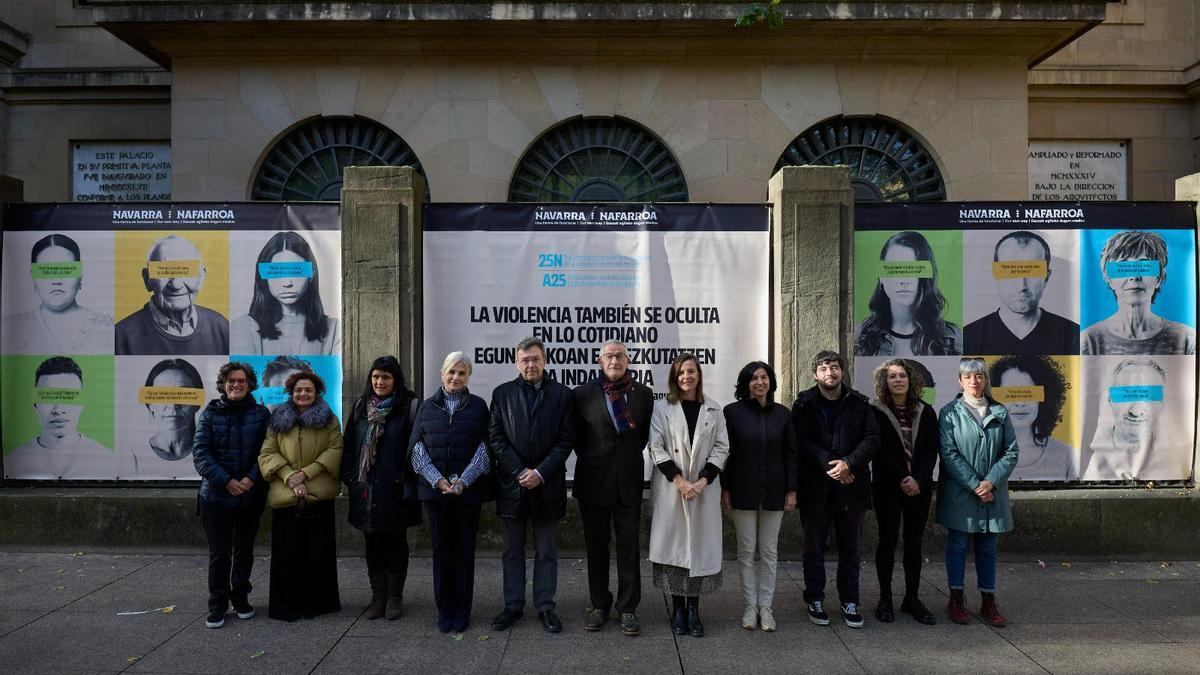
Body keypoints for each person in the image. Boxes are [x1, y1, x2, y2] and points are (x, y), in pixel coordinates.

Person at [487, 337, 575, 634]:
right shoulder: (502, 394)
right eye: (525, 360)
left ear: (545, 360)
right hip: (512, 486)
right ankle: (512, 606)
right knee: (512, 551)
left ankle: (545, 607)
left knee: (546, 551)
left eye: (535, 359)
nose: (530, 364)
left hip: (547, 486)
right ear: (516, 362)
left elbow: (566, 441)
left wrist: (540, 472)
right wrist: (520, 471)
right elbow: (496, 438)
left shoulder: (563, 395)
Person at [571, 340, 654, 636]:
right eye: (609, 356)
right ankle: (600, 605)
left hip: (628, 483)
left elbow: (642, 437)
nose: (614, 360)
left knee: (629, 548)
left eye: (619, 355)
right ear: (599, 360)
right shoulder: (581, 394)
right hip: (593, 482)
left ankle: (628, 608)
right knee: (596, 547)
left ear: (628, 360)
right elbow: (576, 437)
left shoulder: (643, 395)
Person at [791, 350, 878, 628]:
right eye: (824, 368)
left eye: (835, 367)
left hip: (852, 489)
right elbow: (800, 441)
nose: (830, 372)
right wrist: (833, 466)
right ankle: (815, 598)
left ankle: (849, 600)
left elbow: (872, 439)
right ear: (815, 374)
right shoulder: (803, 404)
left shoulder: (860, 404)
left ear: (843, 372)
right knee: (813, 548)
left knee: (851, 550)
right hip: (816, 488)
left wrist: (849, 464)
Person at [648, 353, 729, 638]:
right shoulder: (662, 408)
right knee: (676, 550)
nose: (687, 377)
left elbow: (722, 448)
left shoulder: (714, 410)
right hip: (673, 490)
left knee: (698, 550)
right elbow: (656, 447)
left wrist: (703, 481)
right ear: (674, 376)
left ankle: (694, 609)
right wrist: (681, 481)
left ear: (699, 375)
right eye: (681, 372)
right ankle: (678, 608)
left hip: (703, 491)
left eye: (691, 371)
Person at [409, 352, 491, 633]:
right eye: (451, 372)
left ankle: (462, 611)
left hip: (467, 495)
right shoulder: (426, 407)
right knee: (442, 552)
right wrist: (437, 480)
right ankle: (444, 611)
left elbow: (485, 449)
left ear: (468, 377)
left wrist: (463, 482)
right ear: (442, 373)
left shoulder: (479, 407)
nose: (455, 377)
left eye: (461, 373)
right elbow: (416, 448)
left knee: (464, 553)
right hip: (436, 494)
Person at [937, 357, 1018, 627]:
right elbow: (948, 454)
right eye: (968, 377)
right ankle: (956, 598)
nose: (974, 381)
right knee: (958, 545)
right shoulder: (949, 413)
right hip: (962, 493)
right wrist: (974, 484)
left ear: (986, 380)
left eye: (979, 376)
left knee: (988, 548)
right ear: (960, 381)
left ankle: (988, 600)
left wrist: (990, 482)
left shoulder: (1000, 412)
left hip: (991, 494)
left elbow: (1011, 451)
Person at [340, 356, 421, 621]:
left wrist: (406, 480)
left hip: (395, 489)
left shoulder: (409, 406)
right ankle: (378, 596)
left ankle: (395, 597)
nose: (379, 382)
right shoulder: (361, 406)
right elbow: (349, 445)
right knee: (372, 543)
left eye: (385, 377)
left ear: (395, 380)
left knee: (395, 543)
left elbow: (416, 447)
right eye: (375, 377)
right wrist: (351, 478)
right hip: (365, 489)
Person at [258, 371, 343, 622]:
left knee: (318, 553)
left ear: (317, 393)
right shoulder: (277, 420)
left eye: (308, 390)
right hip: (286, 494)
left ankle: (318, 604)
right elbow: (267, 452)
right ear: (291, 393)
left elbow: (335, 449)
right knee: (287, 554)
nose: (303, 394)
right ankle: (288, 606)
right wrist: (289, 477)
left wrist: (306, 474)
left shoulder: (329, 419)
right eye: (298, 390)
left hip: (318, 493)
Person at [191, 361, 270, 629]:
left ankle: (241, 598)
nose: (236, 385)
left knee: (244, 549)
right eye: (231, 381)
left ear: (250, 385)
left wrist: (249, 478)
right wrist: (227, 481)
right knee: (219, 554)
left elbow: (267, 452)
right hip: (216, 497)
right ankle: (217, 604)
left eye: (242, 381)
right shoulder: (210, 414)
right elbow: (201, 454)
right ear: (223, 384)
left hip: (250, 495)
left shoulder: (261, 414)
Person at [721, 361, 797, 632]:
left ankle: (766, 607)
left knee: (768, 551)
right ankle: (749, 607)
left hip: (775, 491)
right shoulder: (732, 413)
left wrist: (792, 489)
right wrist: (726, 488)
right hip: (743, 490)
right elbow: (725, 454)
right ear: (745, 384)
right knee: (745, 551)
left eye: (764, 377)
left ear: (771, 381)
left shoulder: (782, 414)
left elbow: (791, 453)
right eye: (753, 378)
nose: (759, 382)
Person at [869, 359, 939, 625]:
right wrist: (902, 477)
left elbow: (931, 450)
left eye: (902, 376)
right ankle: (885, 598)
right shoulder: (875, 411)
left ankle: (912, 598)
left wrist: (917, 479)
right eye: (892, 377)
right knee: (886, 542)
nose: (897, 380)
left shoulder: (926, 411)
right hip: (888, 487)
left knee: (914, 543)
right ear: (884, 382)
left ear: (911, 380)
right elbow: (878, 450)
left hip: (918, 488)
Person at [964, 231, 1080, 355]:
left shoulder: (1073, 335)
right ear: (996, 275)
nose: (1021, 286)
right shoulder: (968, 337)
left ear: (1046, 277)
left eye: (1032, 271)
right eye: (1010, 271)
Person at [1082, 230, 1196, 355]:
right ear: (1108, 279)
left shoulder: (1188, 340)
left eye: (1144, 265)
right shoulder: (1088, 341)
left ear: (1159, 278)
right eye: (1123, 266)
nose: (1134, 276)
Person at [6, 356, 121, 479]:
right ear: (35, 405)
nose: (59, 410)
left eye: (68, 397)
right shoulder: (10, 463)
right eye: (48, 397)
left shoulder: (108, 461)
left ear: (82, 404)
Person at [115, 234, 229, 355]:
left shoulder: (221, 327)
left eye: (186, 271)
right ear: (147, 278)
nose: (176, 285)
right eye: (164, 271)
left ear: (201, 278)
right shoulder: (120, 336)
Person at [853, 230, 962, 356]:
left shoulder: (952, 339)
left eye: (914, 269)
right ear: (881, 277)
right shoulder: (860, 336)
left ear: (927, 277)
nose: (904, 280)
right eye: (895, 269)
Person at [231, 231, 340, 355]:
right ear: (263, 276)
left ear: (311, 273)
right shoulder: (243, 327)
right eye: (276, 272)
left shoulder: (334, 329)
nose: (287, 283)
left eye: (296, 271)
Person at [1, 233, 113, 354]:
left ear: (80, 275)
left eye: (66, 270)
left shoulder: (110, 326)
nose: (56, 281)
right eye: (47, 271)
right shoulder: (8, 326)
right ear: (33, 276)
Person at [989, 355, 1074, 481]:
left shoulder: (1067, 455)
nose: (1020, 402)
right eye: (1010, 394)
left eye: (1029, 393)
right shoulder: (981, 452)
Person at [1081, 358, 1167, 480]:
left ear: (1162, 404)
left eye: (1148, 396)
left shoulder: (1175, 456)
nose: (1136, 412)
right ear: (1109, 400)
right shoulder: (1089, 455)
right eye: (1126, 395)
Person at [142, 358, 205, 462]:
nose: (173, 404)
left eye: (183, 395)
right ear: (150, 403)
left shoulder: (212, 453)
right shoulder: (133, 454)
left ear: (198, 402)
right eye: (162, 395)